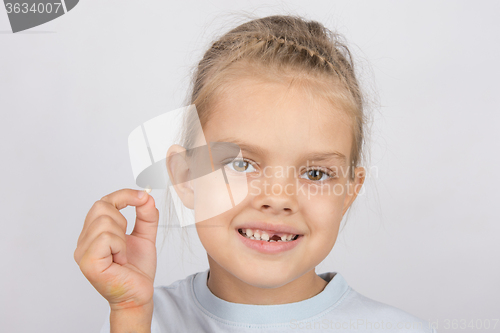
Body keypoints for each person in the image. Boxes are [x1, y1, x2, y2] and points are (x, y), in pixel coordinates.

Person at [74, 14, 436, 333]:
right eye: (241, 164)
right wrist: (130, 315)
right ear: (186, 177)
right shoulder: (138, 318)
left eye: (314, 174)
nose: (278, 198)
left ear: (348, 192)